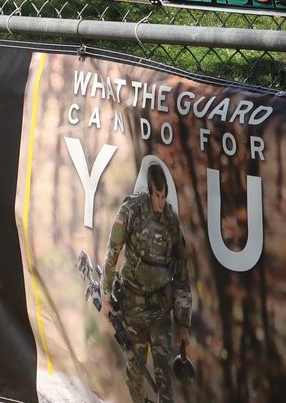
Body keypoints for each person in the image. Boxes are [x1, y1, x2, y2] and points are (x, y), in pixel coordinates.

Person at [101, 163, 191, 403]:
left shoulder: (171, 222)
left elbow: (182, 275)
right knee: (135, 374)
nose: (161, 202)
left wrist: (183, 324)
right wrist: (106, 296)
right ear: (150, 191)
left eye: (164, 196)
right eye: (157, 196)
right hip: (132, 307)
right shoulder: (131, 211)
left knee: (165, 378)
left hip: (160, 310)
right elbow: (112, 252)